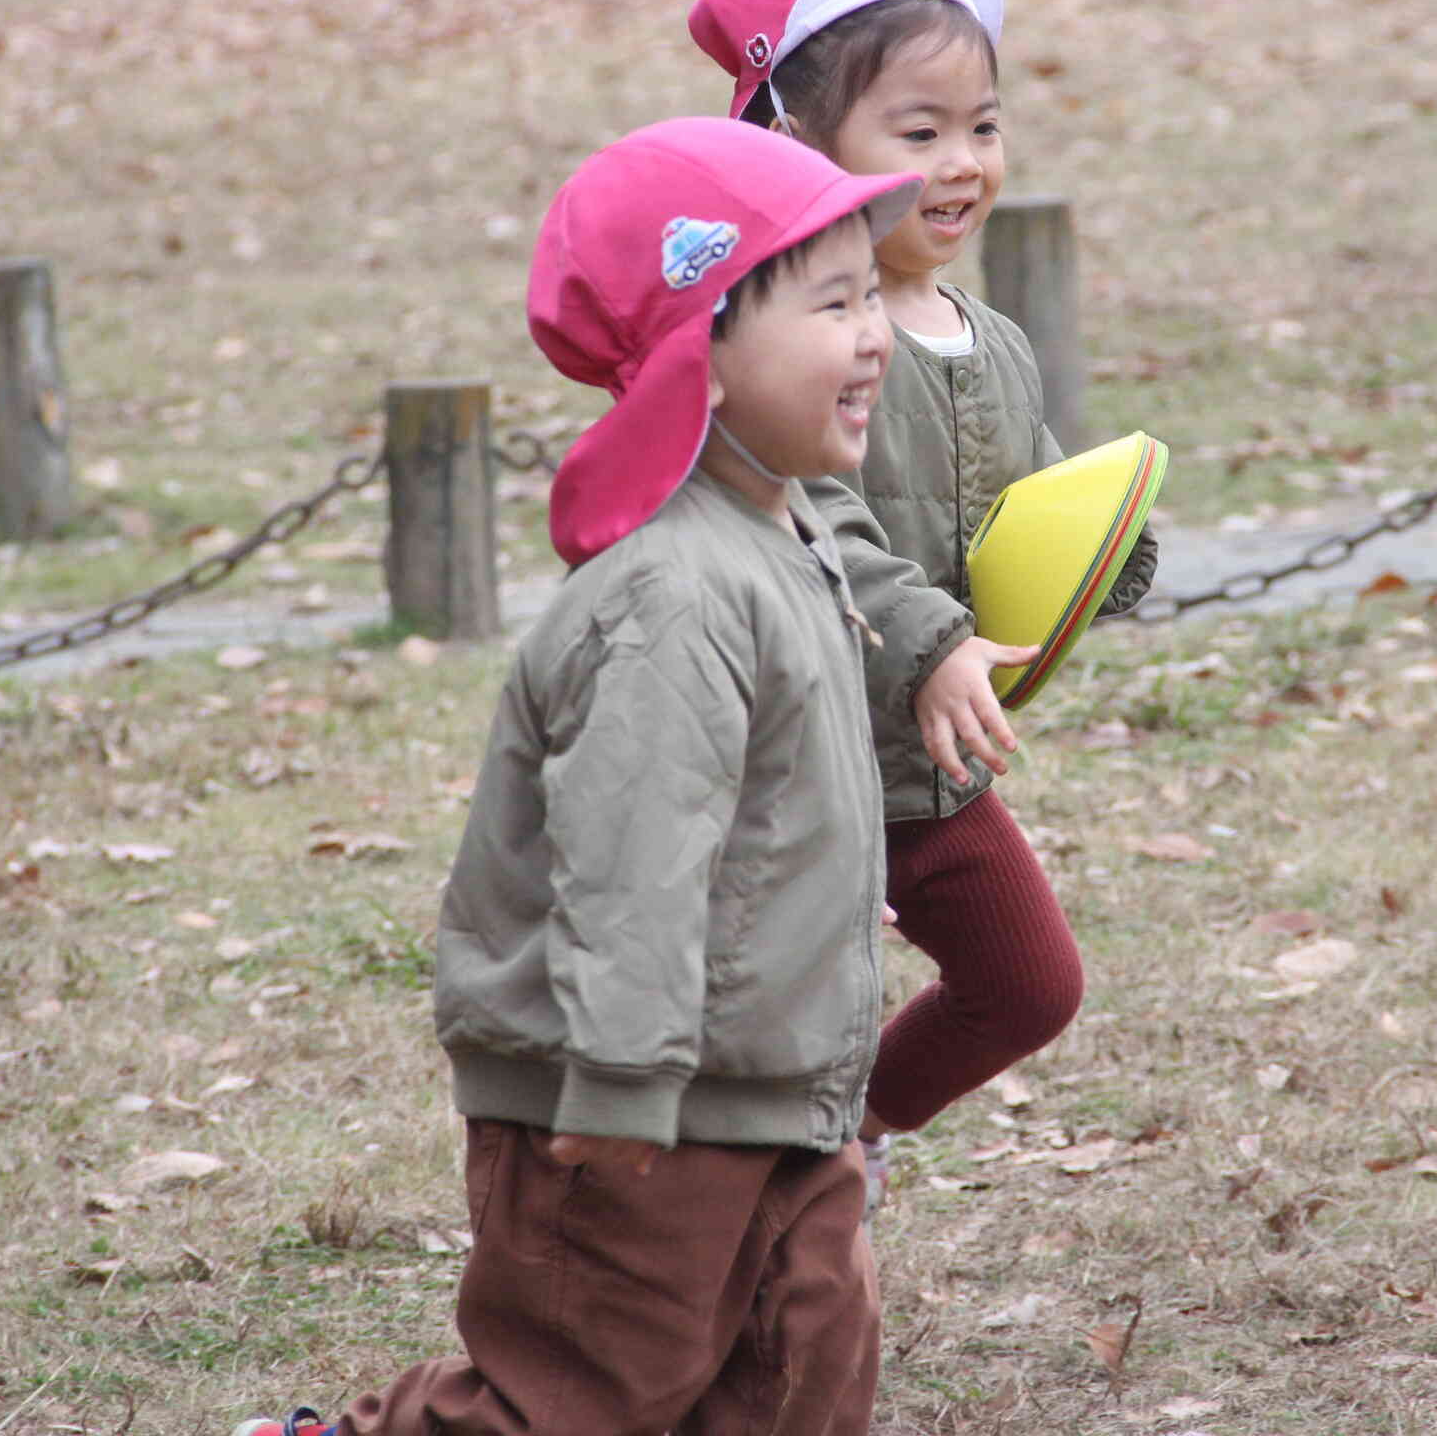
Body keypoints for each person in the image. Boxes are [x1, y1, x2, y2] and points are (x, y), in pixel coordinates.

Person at [235, 118, 923, 1436]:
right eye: (833, 302)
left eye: (874, 292)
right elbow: (632, 857)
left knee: (802, 1382)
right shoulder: (672, 593)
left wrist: (828, 890)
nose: (876, 331)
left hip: (775, 1089)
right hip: (635, 1107)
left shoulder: (782, 541)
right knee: (578, 1403)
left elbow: (753, 812)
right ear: (701, 358)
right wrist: (618, 1080)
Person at [690, 0, 1158, 1205]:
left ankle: (855, 1128)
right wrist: (935, 639)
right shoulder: (797, 330)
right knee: (772, 1022)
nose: (962, 164)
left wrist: (1109, 549)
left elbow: (1033, 500)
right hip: (793, 774)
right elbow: (802, 511)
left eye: (984, 126)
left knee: (1029, 984)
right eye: (918, 131)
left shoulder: (988, 336)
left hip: (930, 771)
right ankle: (743, 1194)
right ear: (804, 149)